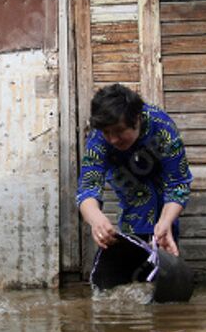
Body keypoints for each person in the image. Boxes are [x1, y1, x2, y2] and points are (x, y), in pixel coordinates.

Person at [77, 84, 193, 257]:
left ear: (137, 119)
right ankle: (134, 263)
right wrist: (96, 219)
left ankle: (164, 258)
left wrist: (166, 221)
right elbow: (87, 188)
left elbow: (178, 184)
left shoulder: (163, 128)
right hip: (125, 177)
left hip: (160, 175)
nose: (113, 139)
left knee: (164, 228)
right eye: (107, 132)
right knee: (135, 210)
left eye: (119, 131)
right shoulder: (98, 138)